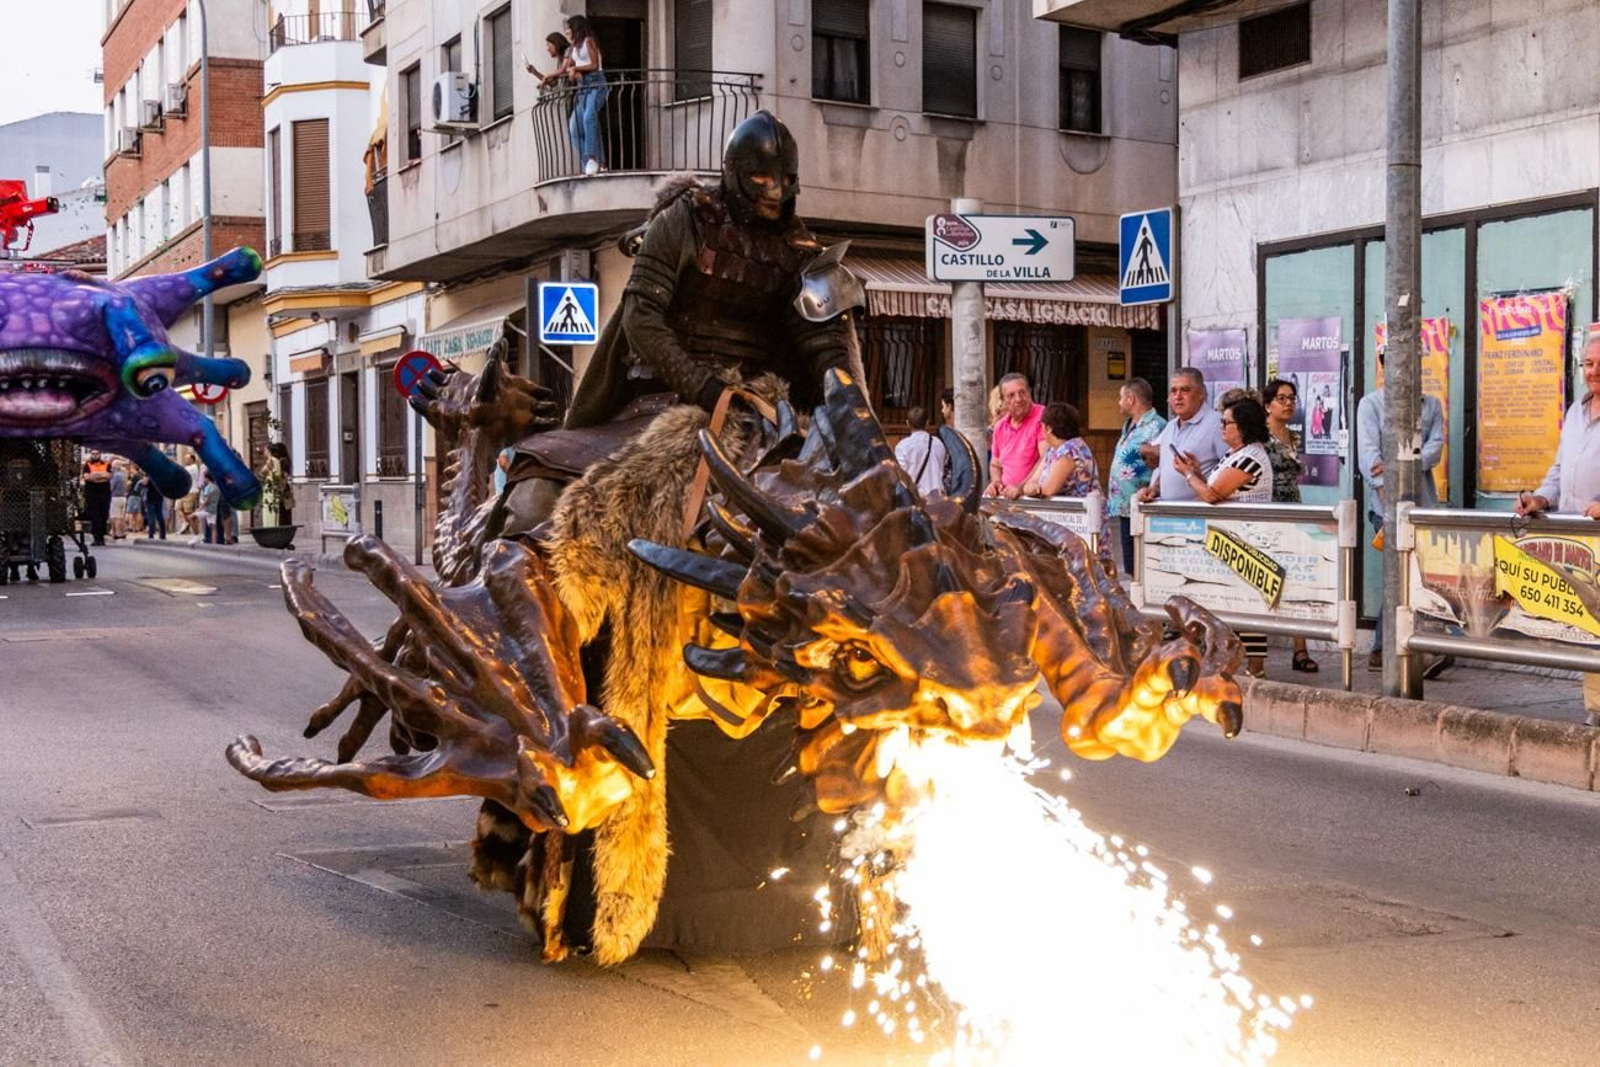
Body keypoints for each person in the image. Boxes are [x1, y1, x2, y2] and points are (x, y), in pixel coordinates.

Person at [1515, 329, 1600, 727]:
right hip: (1576, 537)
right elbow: (1560, 469)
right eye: (1588, 364)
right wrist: (1540, 499)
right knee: (1589, 624)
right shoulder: (1574, 413)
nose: (1593, 371)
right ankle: (1596, 710)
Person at [1356, 344, 1444, 671]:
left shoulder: (1431, 405)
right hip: (1385, 506)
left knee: (1418, 578)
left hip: (1422, 504)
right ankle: (1385, 648)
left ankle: (1411, 644)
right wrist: (1396, 468)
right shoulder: (1371, 405)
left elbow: (1435, 451)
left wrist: (1402, 459)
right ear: (1383, 366)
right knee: (1400, 577)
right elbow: (1369, 459)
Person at [1176, 395, 1273, 676]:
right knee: (1229, 604)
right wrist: (1195, 471)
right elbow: (1215, 487)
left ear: (1242, 427)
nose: (1222, 428)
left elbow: (1213, 494)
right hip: (1227, 540)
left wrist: (1186, 475)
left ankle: (1255, 668)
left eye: (1226, 423)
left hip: (1245, 541)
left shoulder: (1251, 458)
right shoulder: (1235, 455)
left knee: (1248, 605)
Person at [1263, 378, 1317, 673]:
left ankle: (1301, 649)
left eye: (1292, 398)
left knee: (1297, 580)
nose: (1288, 403)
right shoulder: (1260, 437)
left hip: (1293, 505)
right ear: (1267, 404)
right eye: (1281, 398)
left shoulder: (1294, 436)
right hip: (1268, 510)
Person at [1134, 367, 1227, 506]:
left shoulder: (1217, 425)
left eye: (1185, 390)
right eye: (1173, 391)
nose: (1178, 396)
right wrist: (1154, 489)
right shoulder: (1170, 426)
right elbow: (1166, 469)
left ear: (1201, 393)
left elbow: (1230, 472)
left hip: (1201, 517)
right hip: (1170, 517)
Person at [1105, 377, 1166, 574]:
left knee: (1141, 562)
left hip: (1141, 502)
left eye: (1121, 397)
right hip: (1124, 505)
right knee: (1130, 562)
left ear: (1131, 399)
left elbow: (1161, 460)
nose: (1119, 402)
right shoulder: (1129, 425)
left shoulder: (1157, 426)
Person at [1023, 401, 1100, 503]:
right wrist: (1030, 487)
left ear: (1049, 428)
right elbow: (1031, 482)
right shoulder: (1053, 449)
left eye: (1041, 425)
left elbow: (1047, 490)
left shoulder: (1070, 451)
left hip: (1081, 514)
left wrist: (1033, 489)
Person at [984, 373, 1045, 500]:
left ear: (1029, 393)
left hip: (1035, 500)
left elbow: (1046, 459)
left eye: (1022, 392)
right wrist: (996, 483)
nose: (1018, 399)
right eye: (1011, 395)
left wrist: (1021, 487)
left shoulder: (1043, 417)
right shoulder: (1000, 426)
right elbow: (995, 465)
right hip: (1009, 501)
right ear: (1003, 401)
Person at [565, 15, 608, 176]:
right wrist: (571, 72)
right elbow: (567, 67)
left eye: (569, 27)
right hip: (583, 87)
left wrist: (576, 69)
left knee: (589, 118)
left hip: (596, 84)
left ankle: (592, 158)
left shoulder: (588, 40)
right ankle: (595, 163)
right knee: (574, 128)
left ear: (576, 28)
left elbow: (595, 65)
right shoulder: (574, 48)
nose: (567, 31)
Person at [894, 406, 949, 498]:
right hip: (939, 498)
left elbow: (900, 476)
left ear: (907, 423)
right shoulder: (939, 444)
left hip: (917, 499)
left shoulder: (902, 446)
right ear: (927, 423)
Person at [80, 449, 113, 546]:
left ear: (100, 454)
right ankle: (96, 537)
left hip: (104, 493)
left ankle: (101, 537)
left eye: (97, 453)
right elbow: (87, 477)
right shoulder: (87, 464)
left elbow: (109, 476)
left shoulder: (107, 464)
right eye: (93, 454)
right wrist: (101, 476)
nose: (95, 455)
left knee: (104, 515)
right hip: (91, 493)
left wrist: (94, 476)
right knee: (95, 516)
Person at [136, 470, 167, 539]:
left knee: (151, 516)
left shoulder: (149, 473)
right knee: (160, 516)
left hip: (150, 498)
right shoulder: (161, 474)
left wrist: (143, 480)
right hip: (159, 497)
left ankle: (151, 535)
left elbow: (144, 483)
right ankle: (163, 535)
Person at [108, 460, 129, 540]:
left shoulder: (116, 476)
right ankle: (122, 532)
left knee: (115, 517)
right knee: (121, 517)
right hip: (123, 497)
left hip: (115, 497)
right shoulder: (124, 475)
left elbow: (111, 487)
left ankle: (116, 533)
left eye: (113, 466)